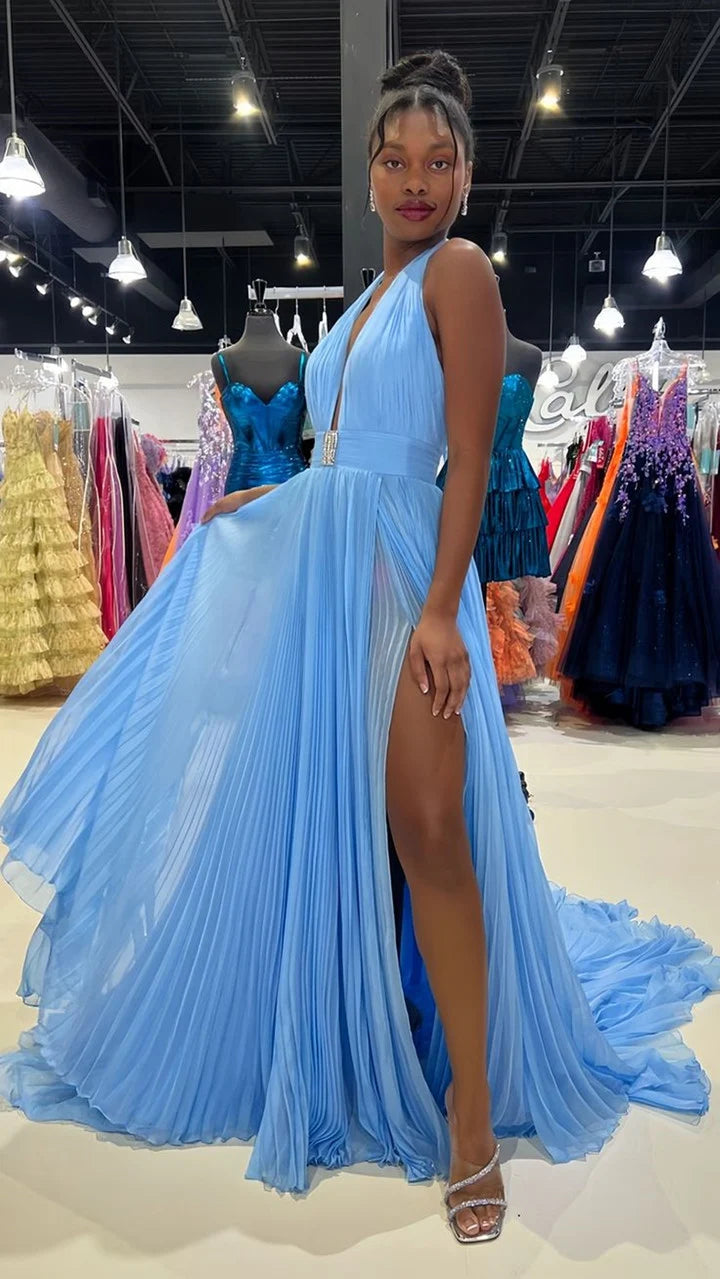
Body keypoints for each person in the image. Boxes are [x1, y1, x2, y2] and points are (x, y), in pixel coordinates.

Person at [1, 51, 718, 1249]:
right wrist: (267, 500)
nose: (416, 179)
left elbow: (467, 458)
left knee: (431, 828)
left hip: (401, 579)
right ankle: (362, 1026)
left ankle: (473, 1114)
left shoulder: (460, 274)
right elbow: (337, 458)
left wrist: (442, 609)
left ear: (468, 176)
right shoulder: (366, 299)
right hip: (333, 573)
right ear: (371, 176)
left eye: (440, 161)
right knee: (346, 819)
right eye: (396, 160)